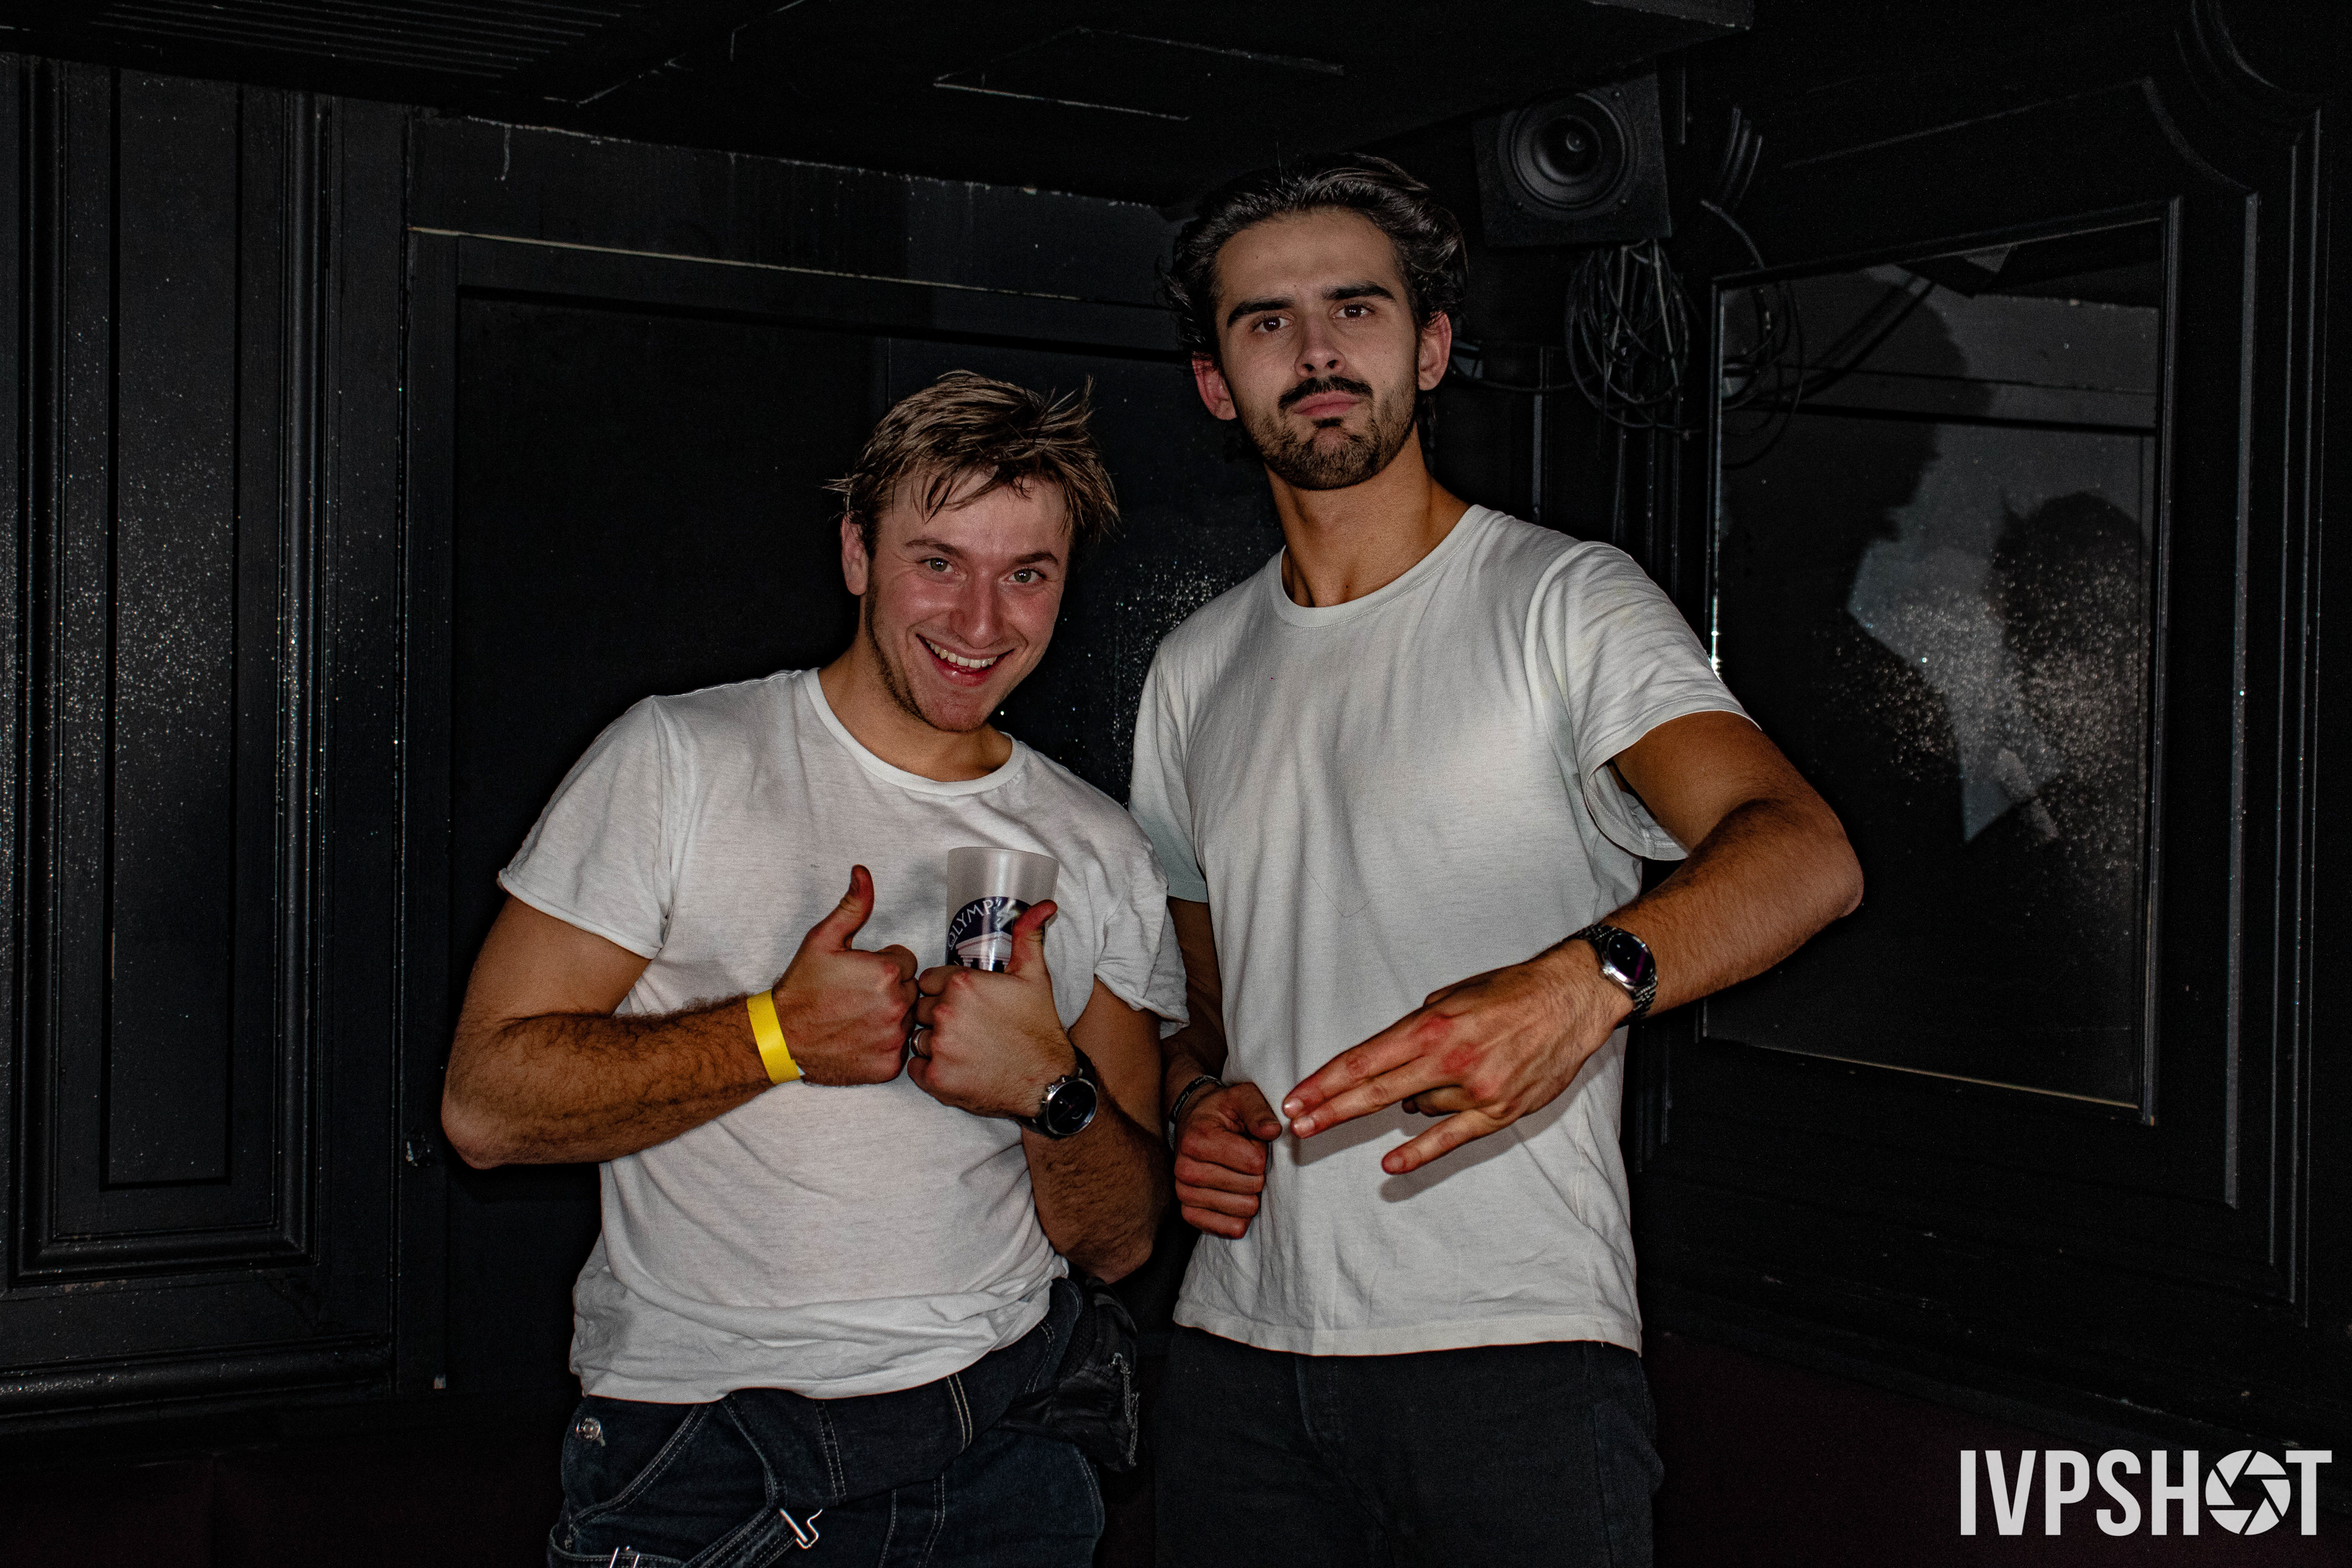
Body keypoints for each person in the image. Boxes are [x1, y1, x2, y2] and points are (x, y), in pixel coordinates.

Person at [1129, 156, 1865, 1566]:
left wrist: (1586, 982)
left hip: (1509, 1351)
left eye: (1356, 308)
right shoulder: (1194, 669)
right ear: (1218, 384)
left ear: (1432, 348)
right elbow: (1203, 999)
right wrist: (1190, 1103)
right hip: (1238, 1349)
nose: (1318, 350)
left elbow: (1804, 853)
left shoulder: (1561, 601)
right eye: (1267, 321)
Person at [441, 372, 1185, 1566]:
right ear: (856, 553)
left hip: (1005, 1443)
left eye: (1027, 574)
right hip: (715, 1449)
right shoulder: (680, 759)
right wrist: (775, 1037)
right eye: (937, 562)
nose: (981, 621)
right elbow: (486, 1108)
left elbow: (1120, 1242)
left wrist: (1049, 1090)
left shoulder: (1096, 844)